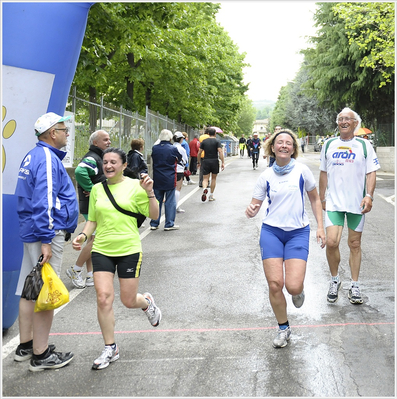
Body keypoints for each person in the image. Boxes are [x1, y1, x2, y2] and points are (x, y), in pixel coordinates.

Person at [72, 147, 161, 370]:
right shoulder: (97, 189)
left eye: (113, 162)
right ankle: (110, 347)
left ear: (124, 165)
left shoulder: (136, 186)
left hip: (129, 248)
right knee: (103, 297)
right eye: (105, 162)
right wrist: (82, 236)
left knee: (128, 300)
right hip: (102, 248)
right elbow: (92, 220)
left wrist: (150, 192)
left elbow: (154, 215)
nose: (108, 166)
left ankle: (146, 303)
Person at [245, 128, 325, 348]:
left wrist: (320, 227)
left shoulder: (302, 171)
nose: (284, 146)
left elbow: (315, 200)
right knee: (274, 284)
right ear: (272, 147)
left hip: (297, 232)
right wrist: (251, 211)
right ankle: (283, 328)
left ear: (293, 149)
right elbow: (255, 204)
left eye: (288, 143)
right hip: (271, 232)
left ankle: (298, 291)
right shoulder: (266, 176)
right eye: (279, 142)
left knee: (292, 286)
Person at [14, 112, 79, 371]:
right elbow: (45, 200)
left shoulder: (33, 155)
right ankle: (41, 355)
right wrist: (46, 239)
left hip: (33, 232)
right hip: (45, 234)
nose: (67, 133)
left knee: (30, 289)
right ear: (52, 133)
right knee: (46, 291)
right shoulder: (47, 158)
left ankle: (26, 345)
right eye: (63, 129)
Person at [319, 107, 380, 305]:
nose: (344, 121)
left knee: (354, 244)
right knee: (332, 242)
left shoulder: (364, 145)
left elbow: (371, 172)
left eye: (348, 119)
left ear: (355, 123)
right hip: (334, 202)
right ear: (337, 123)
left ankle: (354, 285)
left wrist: (369, 195)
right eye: (340, 119)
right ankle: (335, 279)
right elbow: (323, 172)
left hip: (357, 203)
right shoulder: (328, 144)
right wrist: (322, 197)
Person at [66, 130, 111, 289]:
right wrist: (93, 190)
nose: (109, 142)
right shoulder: (93, 157)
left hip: (92, 204)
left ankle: (90, 275)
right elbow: (79, 171)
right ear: (95, 143)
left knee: (92, 240)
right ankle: (75, 269)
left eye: (109, 139)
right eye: (105, 139)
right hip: (92, 205)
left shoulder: (98, 157)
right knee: (97, 241)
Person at [150, 129, 182, 231]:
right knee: (170, 201)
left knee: (157, 200)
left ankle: (154, 223)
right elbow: (180, 158)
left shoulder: (155, 148)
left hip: (157, 177)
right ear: (170, 138)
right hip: (170, 177)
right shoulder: (173, 148)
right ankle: (169, 223)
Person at [197, 127, 225, 202]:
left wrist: (198, 162)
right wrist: (223, 162)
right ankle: (211, 195)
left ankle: (204, 189)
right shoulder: (217, 141)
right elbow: (220, 152)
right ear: (215, 134)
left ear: (208, 134)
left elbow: (199, 152)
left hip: (206, 161)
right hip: (214, 161)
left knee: (205, 178)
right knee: (213, 178)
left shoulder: (204, 141)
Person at [173, 131, 188, 213]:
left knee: (172, 188)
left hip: (171, 170)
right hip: (179, 170)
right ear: (181, 139)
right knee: (178, 188)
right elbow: (185, 160)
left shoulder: (171, 147)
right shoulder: (181, 149)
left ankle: (172, 205)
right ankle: (176, 206)